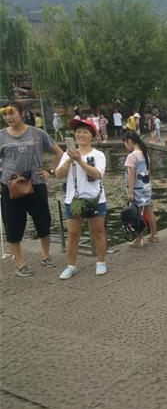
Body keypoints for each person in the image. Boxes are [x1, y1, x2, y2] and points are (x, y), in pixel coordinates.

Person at [0, 101, 64, 277]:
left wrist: (50, 171)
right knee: (13, 226)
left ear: (21, 113)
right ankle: (20, 264)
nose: (8, 117)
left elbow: (59, 152)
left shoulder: (37, 133)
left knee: (43, 221)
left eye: (12, 113)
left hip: (36, 184)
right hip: (11, 187)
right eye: (5, 114)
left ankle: (46, 255)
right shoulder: (1, 136)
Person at [54, 119, 107, 279]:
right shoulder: (67, 155)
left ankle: (101, 262)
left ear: (92, 135)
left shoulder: (98, 155)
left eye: (85, 132)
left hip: (95, 199)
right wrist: (70, 159)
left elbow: (97, 175)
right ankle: (71, 265)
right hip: (73, 200)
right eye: (78, 132)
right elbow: (58, 175)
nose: (81, 134)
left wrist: (79, 160)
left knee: (98, 232)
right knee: (72, 235)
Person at [122, 131, 158, 247]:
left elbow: (131, 175)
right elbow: (148, 171)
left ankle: (139, 239)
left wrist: (130, 192)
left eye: (125, 143)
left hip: (137, 188)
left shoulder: (131, 156)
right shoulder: (144, 153)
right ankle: (154, 235)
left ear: (129, 141)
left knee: (137, 214)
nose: (125, 146)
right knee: (149, 210)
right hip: (146, 187)